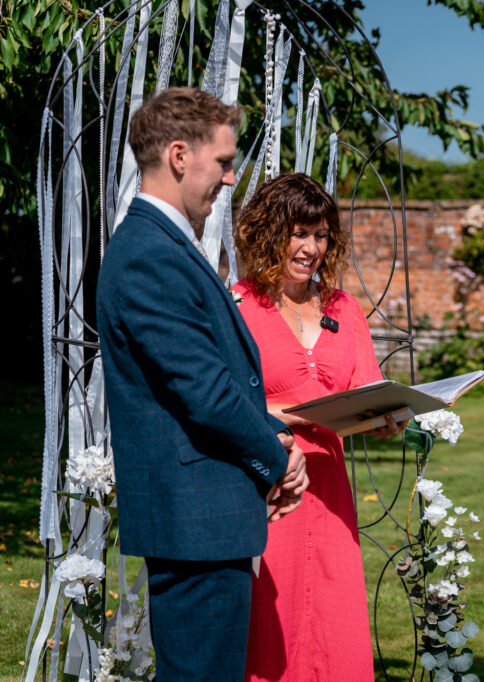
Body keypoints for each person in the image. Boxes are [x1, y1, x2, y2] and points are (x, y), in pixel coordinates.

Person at [96, 87, 310, 681]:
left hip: (203, 516)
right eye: (223, 162)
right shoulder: (147, 253)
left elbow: (210, 382)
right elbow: (205, 390)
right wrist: (277, 457)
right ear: (179, 155)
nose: (230, 177)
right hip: (194, 519)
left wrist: (272, 435)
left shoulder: (164, 246)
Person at [231, 172, 403, 682]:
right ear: (268, 231)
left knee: (333, 623)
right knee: (269, 625)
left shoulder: (344, 310)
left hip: (329, 491)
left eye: (322, 235)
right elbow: (227, 402)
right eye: (298, 233)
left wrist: (385, 420)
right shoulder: (239, 305)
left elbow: (367, 390)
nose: (311, 248)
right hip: (269, 484)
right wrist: (299, 414)